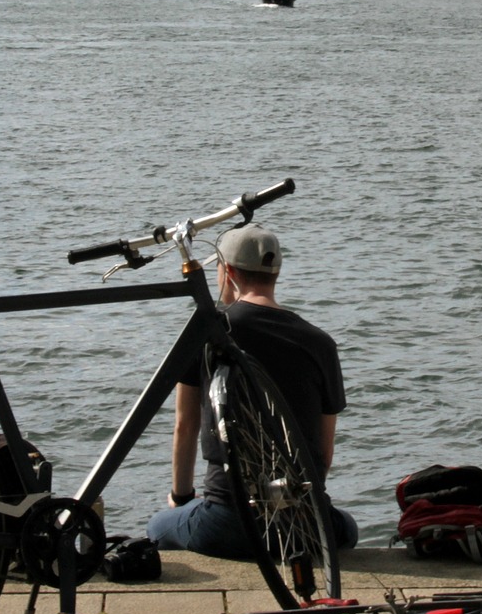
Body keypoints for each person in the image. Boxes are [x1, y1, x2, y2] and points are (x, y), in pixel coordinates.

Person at [148, 224, 358, 558]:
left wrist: (182, 497)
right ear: (276, 273)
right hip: (306, 524)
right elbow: (324, 452)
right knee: (348, 527)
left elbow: (185, 426)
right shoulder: (321, 343)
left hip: (226, 523)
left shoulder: (207, 331)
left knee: (158, 526)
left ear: (228, 272)